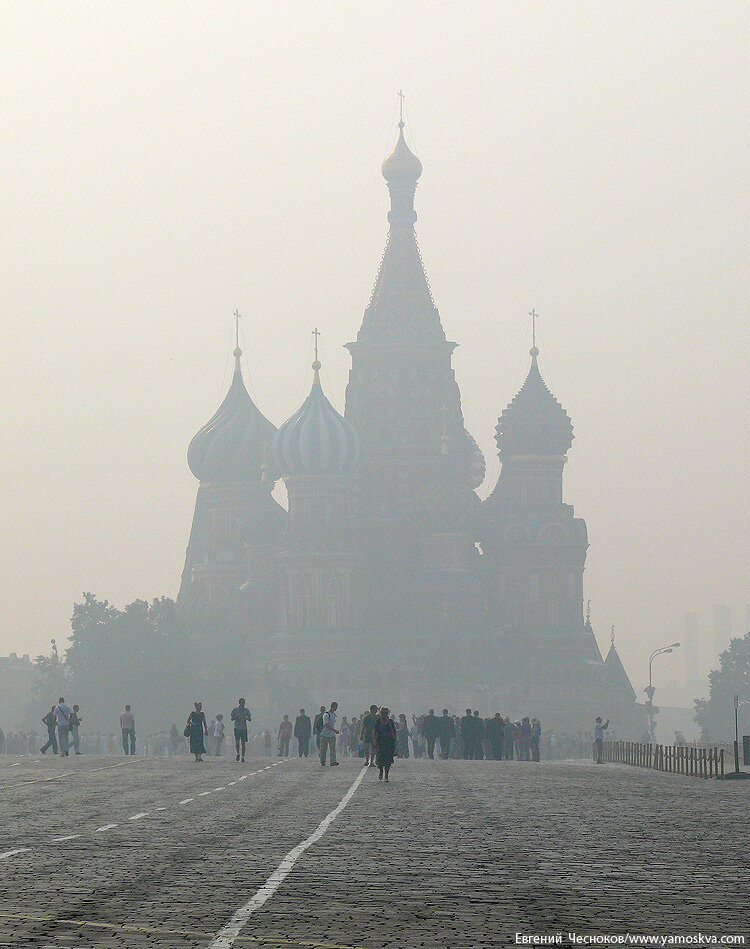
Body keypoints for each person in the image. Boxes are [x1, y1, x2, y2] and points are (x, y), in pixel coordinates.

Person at [373, 705, 397, 782]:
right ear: (380, 713)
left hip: (389, 743)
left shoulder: (390, 722)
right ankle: (381, 771)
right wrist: (374, 740)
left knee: (388, 760)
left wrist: (395, 741)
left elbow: (394, 731)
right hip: (380, 742)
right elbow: (374, 731)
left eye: (385, 713)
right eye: (382, 713)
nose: (384, 714)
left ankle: (386, 775)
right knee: (380, 759)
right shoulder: (378, 722)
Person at [319, 701, 339, 767]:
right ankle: (322, 761)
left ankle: (333, 761)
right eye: (336, 707)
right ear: (333, 707)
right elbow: (326, 724)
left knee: (332, 749)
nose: (336, 708)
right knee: (323, 749)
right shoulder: (326, 714)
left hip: (332, 735)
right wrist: (334, 730)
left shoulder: (333, 714)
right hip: (324, 734)